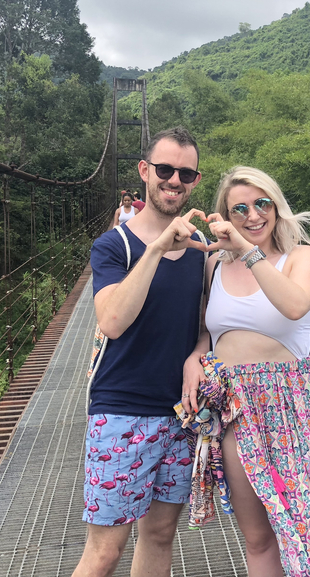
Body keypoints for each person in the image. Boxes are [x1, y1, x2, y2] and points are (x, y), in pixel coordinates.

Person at [181, 166, 310, 577]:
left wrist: (246, 249)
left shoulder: (302, 256)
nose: (253, 215)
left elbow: (295, 305)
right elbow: (209, 329)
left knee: (307, 531)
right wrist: (194, 356)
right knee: (258, 539)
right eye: (239, 209)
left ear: (276, 207)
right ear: (225, 214)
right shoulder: (214, 267)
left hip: (289, 405)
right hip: (235, 409)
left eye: (262, 204)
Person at [73, 127, 211, 577]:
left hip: (180, 415)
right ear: (144, 171)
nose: (175, 180)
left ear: (195, 180)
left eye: (185, 173)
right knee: (105, 552)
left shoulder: (201, 253)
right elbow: (111, 321)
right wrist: (155, 249)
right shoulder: (115, 246)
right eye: (165, 169)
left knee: (158, 536)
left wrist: (198, 354)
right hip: (122, 410)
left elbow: (208, 324)